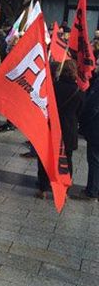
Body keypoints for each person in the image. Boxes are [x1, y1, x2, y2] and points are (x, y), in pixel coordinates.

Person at [37, 60, 84, 199]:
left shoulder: (53, 87)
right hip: (69, 129)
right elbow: (80, 112)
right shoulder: (78, 91)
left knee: (46, 157)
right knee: (66, 160)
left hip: (52, 126)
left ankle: (43, 188)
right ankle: (63, 189)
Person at [76, 75, 99, 201]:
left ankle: (92, 191)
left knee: (94, 160)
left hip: (96, 129)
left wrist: (83, 121)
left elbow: (93, 106)